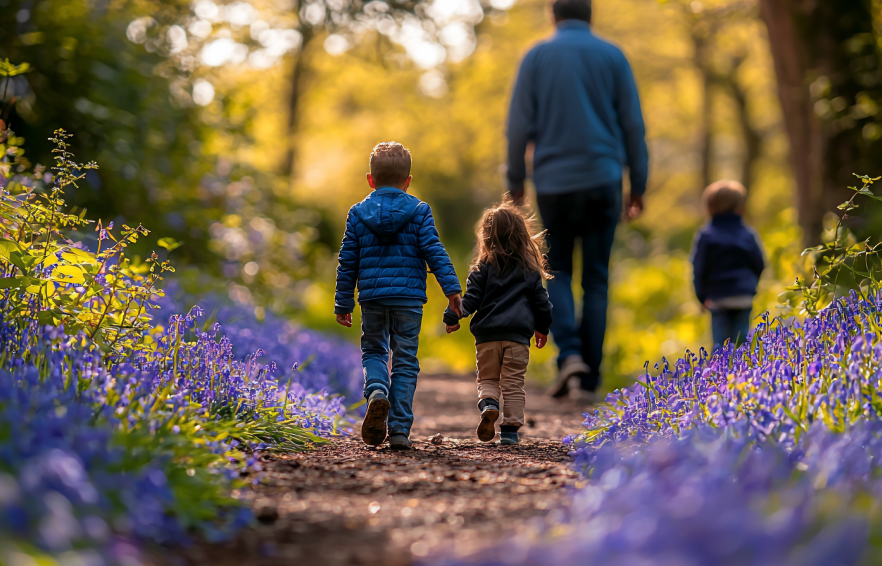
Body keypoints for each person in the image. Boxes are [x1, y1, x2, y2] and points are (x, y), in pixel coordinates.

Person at [505, 0, 649, 402]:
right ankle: (590, 377)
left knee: (559, 271)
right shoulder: (612, 56)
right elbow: (632, 124)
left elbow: (517, 125)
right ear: (591, 15)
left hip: (554, 182)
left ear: (553, 15)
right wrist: (638, 184)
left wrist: (515, 181)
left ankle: (569, 354)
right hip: (604, 179)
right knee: (597, 279)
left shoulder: (536, 56)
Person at [334, 142, 462, 450]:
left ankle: (377, 390)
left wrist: (343, 302)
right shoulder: (419, 211)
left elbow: (347, 260)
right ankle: (400, 430)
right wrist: (453, 290)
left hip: (372, 299)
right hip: (409, 300)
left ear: (370, 180)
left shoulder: (356, 213)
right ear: (408, 181)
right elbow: (435, 251)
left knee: (375, 352)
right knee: (405, 361)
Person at [443, 200, 553, 446]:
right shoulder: (530, 270)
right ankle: (510, 433)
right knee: (514, 384)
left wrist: (453, 316)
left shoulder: (482, 269)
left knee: (488, 380)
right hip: (517, 338)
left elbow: (469, 301)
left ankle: (489, 405)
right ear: (522, 236)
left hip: (487, 337)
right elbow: (542, 304)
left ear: (486, 237)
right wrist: (542, 328)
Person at [690, 180, 765, 350]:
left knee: (720, 343)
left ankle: (718, 374)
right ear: (739, 208)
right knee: (742, 341)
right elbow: (759, 264)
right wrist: (751, 285)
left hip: (718, 298)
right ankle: (744, 373)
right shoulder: (747, 234)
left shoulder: (706, 235)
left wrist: (701, 296)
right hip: (743, 296)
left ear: (709, 208)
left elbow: (699, 269)